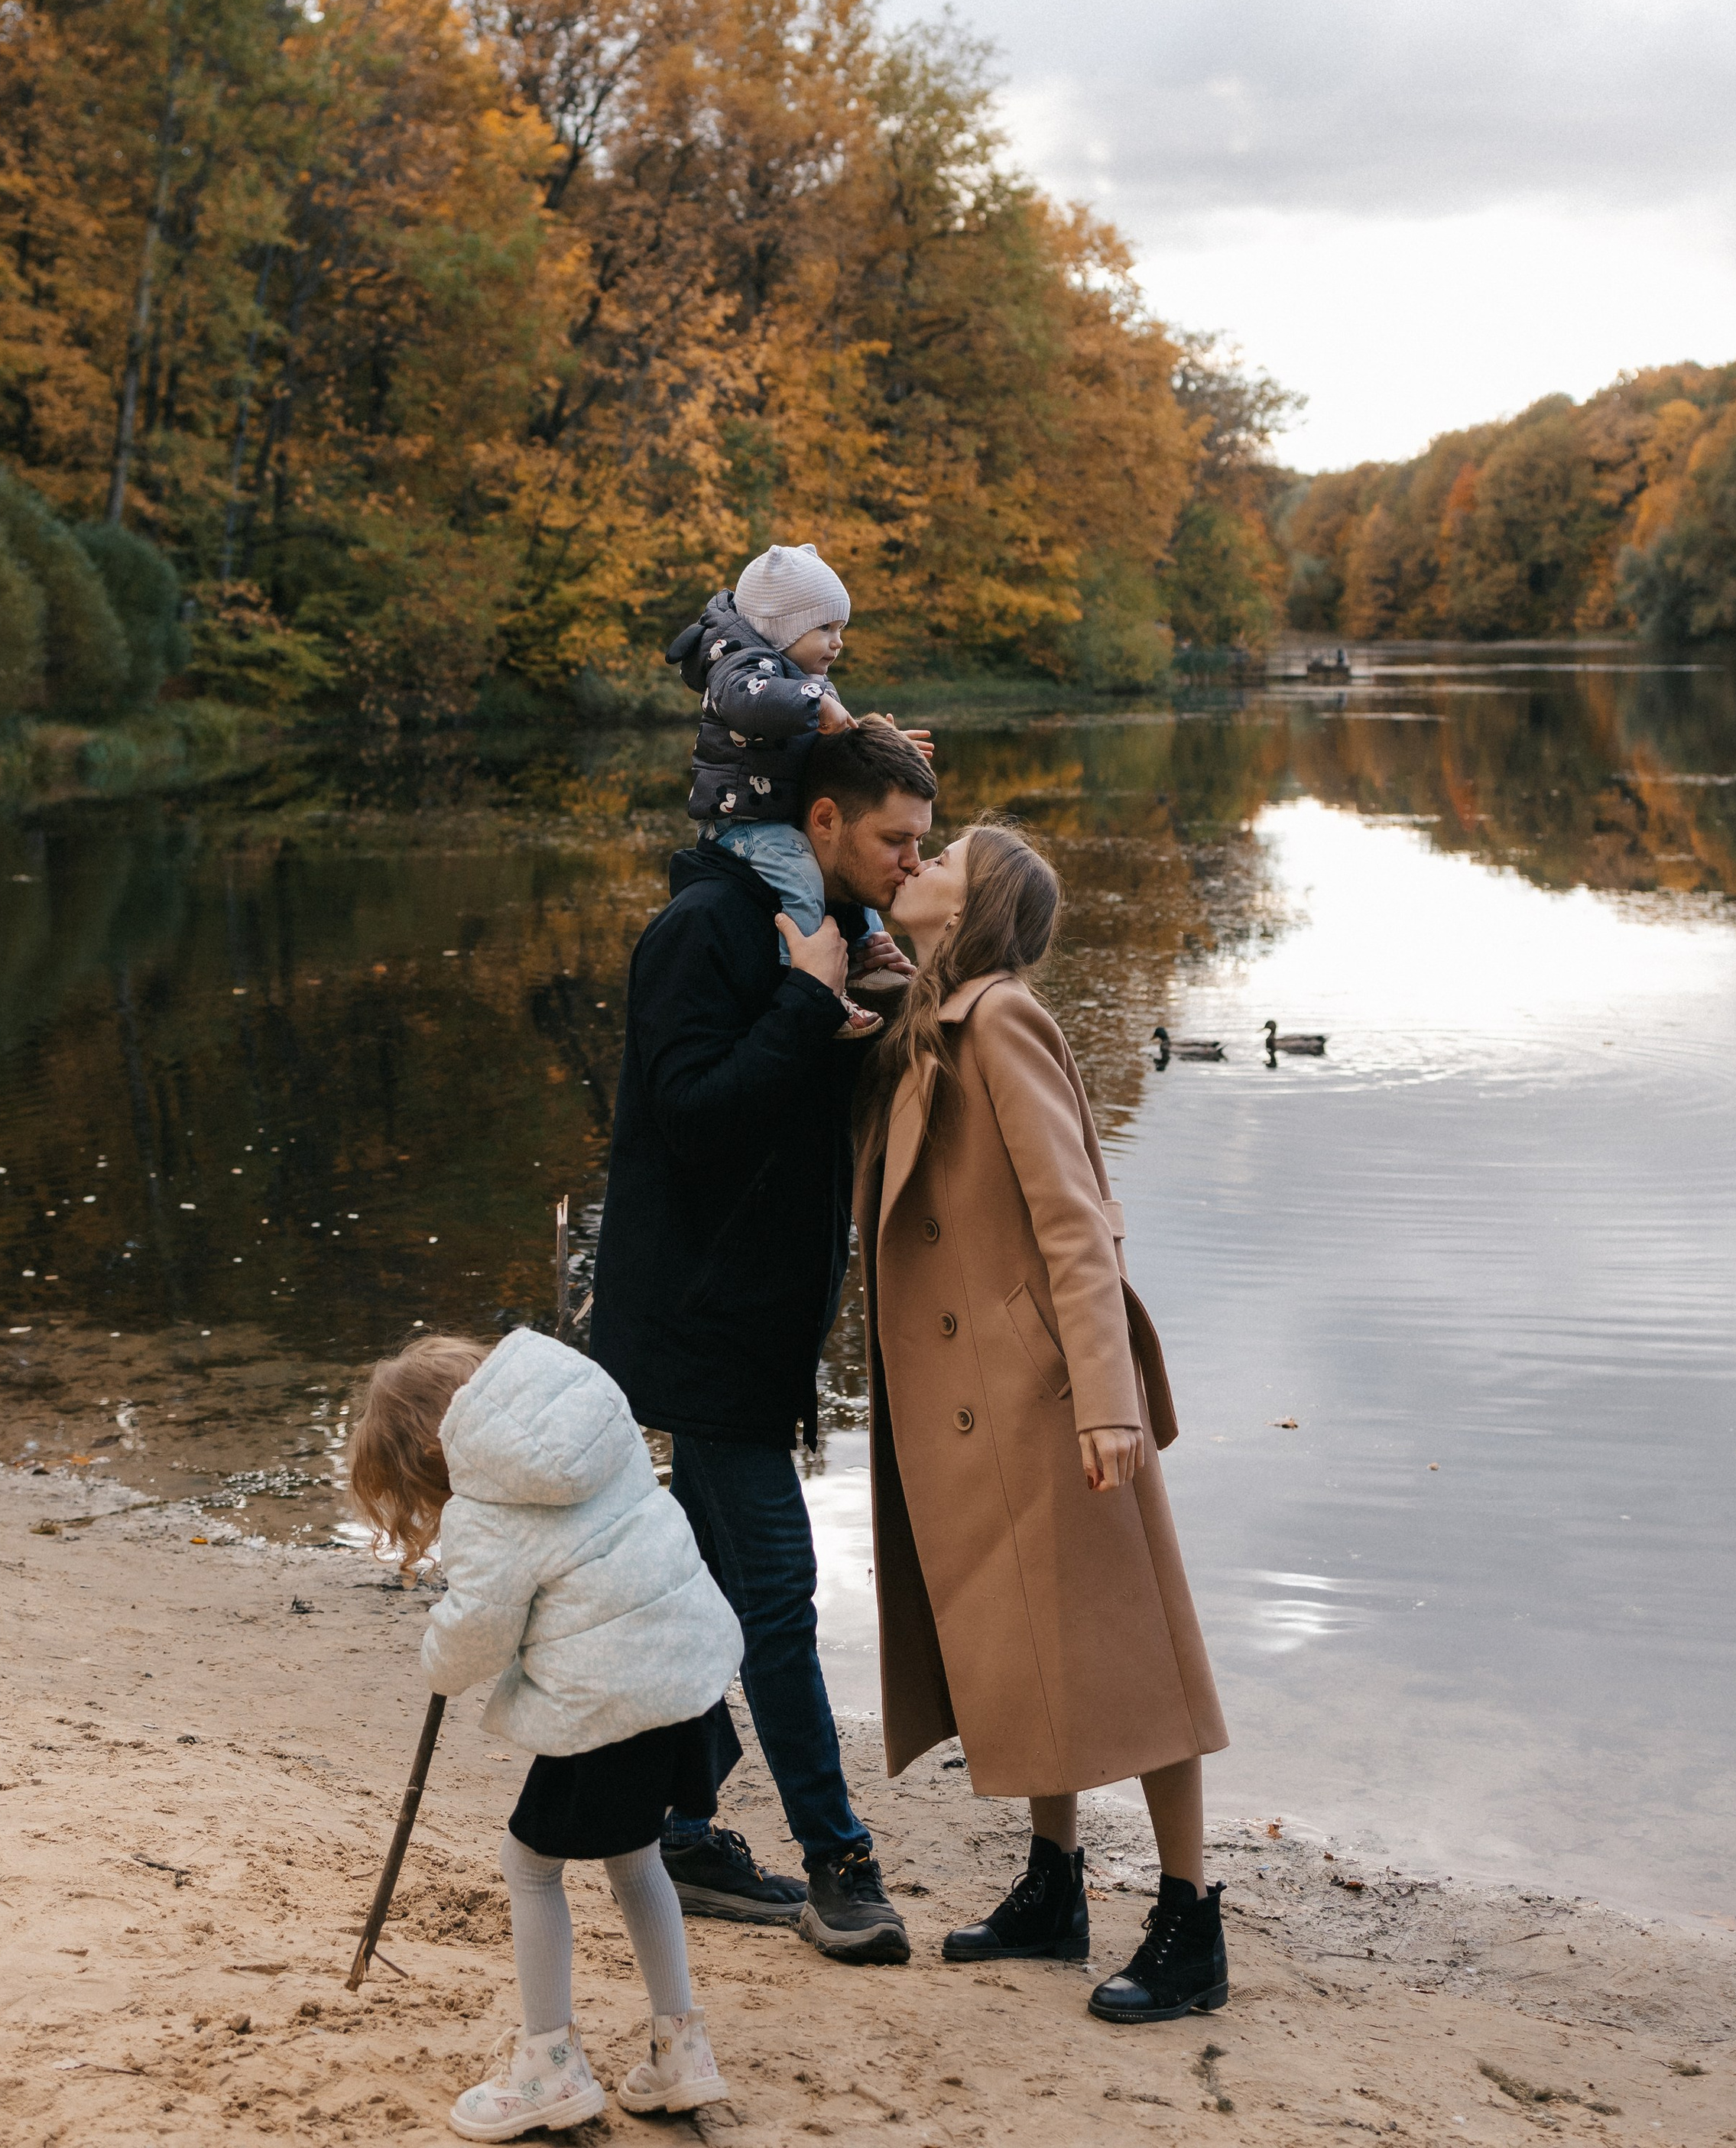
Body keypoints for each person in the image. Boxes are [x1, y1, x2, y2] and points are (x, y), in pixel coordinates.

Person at [855, 823, 1233, 2024]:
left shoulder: (1004, 1016)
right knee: (1030, 1641)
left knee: (1134, 1651)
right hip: (993, 1404)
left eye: (942, 860)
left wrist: (1108, 1394)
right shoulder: (931, 1015)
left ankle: (1189, 1921)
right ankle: (1055, 1887)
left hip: (1054, 1394)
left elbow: (1076, 1215)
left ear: (979, 909)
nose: (916, 865)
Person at [589, 717, 939, 1965]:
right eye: (896, 840)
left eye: (925, 844)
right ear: (825, 823)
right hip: (701, 1323)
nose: (911, 860)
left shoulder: (838, 931)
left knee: (700, 1587)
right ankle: (839, 1862)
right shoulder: (705, 933)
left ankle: (681, 1828)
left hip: (758, 1325)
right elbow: (687, 1118)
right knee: (779, 1595)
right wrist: (803, 1002)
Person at [348, 1329, 742, 2138]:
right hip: (688, 1674)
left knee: (529, 1865)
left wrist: (436, 1656)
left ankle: (548, 2066)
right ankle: (682, 2048)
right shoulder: (594, 1421)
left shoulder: (486, 1504)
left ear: (428, 1456)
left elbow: (480, 1630)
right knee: (636, 1855)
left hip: (608, 1703)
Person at [665, 541, 932, 1039]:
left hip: (776, 812)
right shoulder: (742, 669)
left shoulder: (800, 678)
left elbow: (825, 748)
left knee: (859, 880)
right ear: (782, 627)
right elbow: (754, 704)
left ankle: (868, 952)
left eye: (841, 630)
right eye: (825, 629)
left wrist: (879, 739)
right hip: (743, 823)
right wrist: (817, 702)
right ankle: (811, 982)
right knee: (802, 876)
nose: (838, 643)